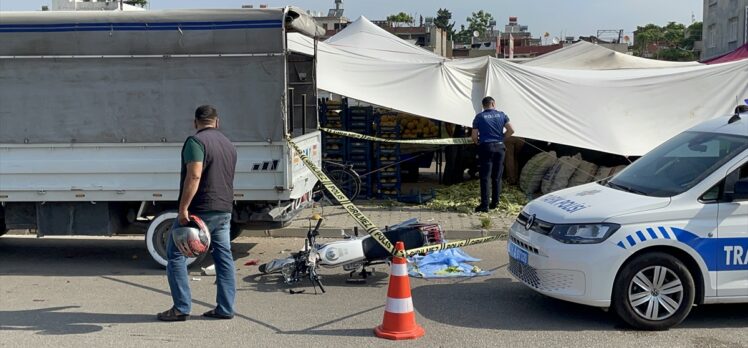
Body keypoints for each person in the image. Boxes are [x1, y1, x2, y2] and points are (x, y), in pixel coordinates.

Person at [157, 105, 238, 321]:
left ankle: (181, 308)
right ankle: (225, 308)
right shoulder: (229, 145)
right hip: (224, 209)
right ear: (217, 122)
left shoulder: (196, 142)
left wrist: (183, 208)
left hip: (200, 211)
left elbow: (194, 176)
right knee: (224, 258)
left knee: (175, 255)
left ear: (195, 123)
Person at [471, 96, 514, 213]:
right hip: (500, 147)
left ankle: (484, 205)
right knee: (497, 177)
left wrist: (478, 143)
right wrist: (501, 139)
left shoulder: (479, 117)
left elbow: (474, 136)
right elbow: (511, 130)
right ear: (493, 104)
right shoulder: (502, 115)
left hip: (486, 147)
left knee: (485, 177)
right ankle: (495, 202)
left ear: (483, 105)